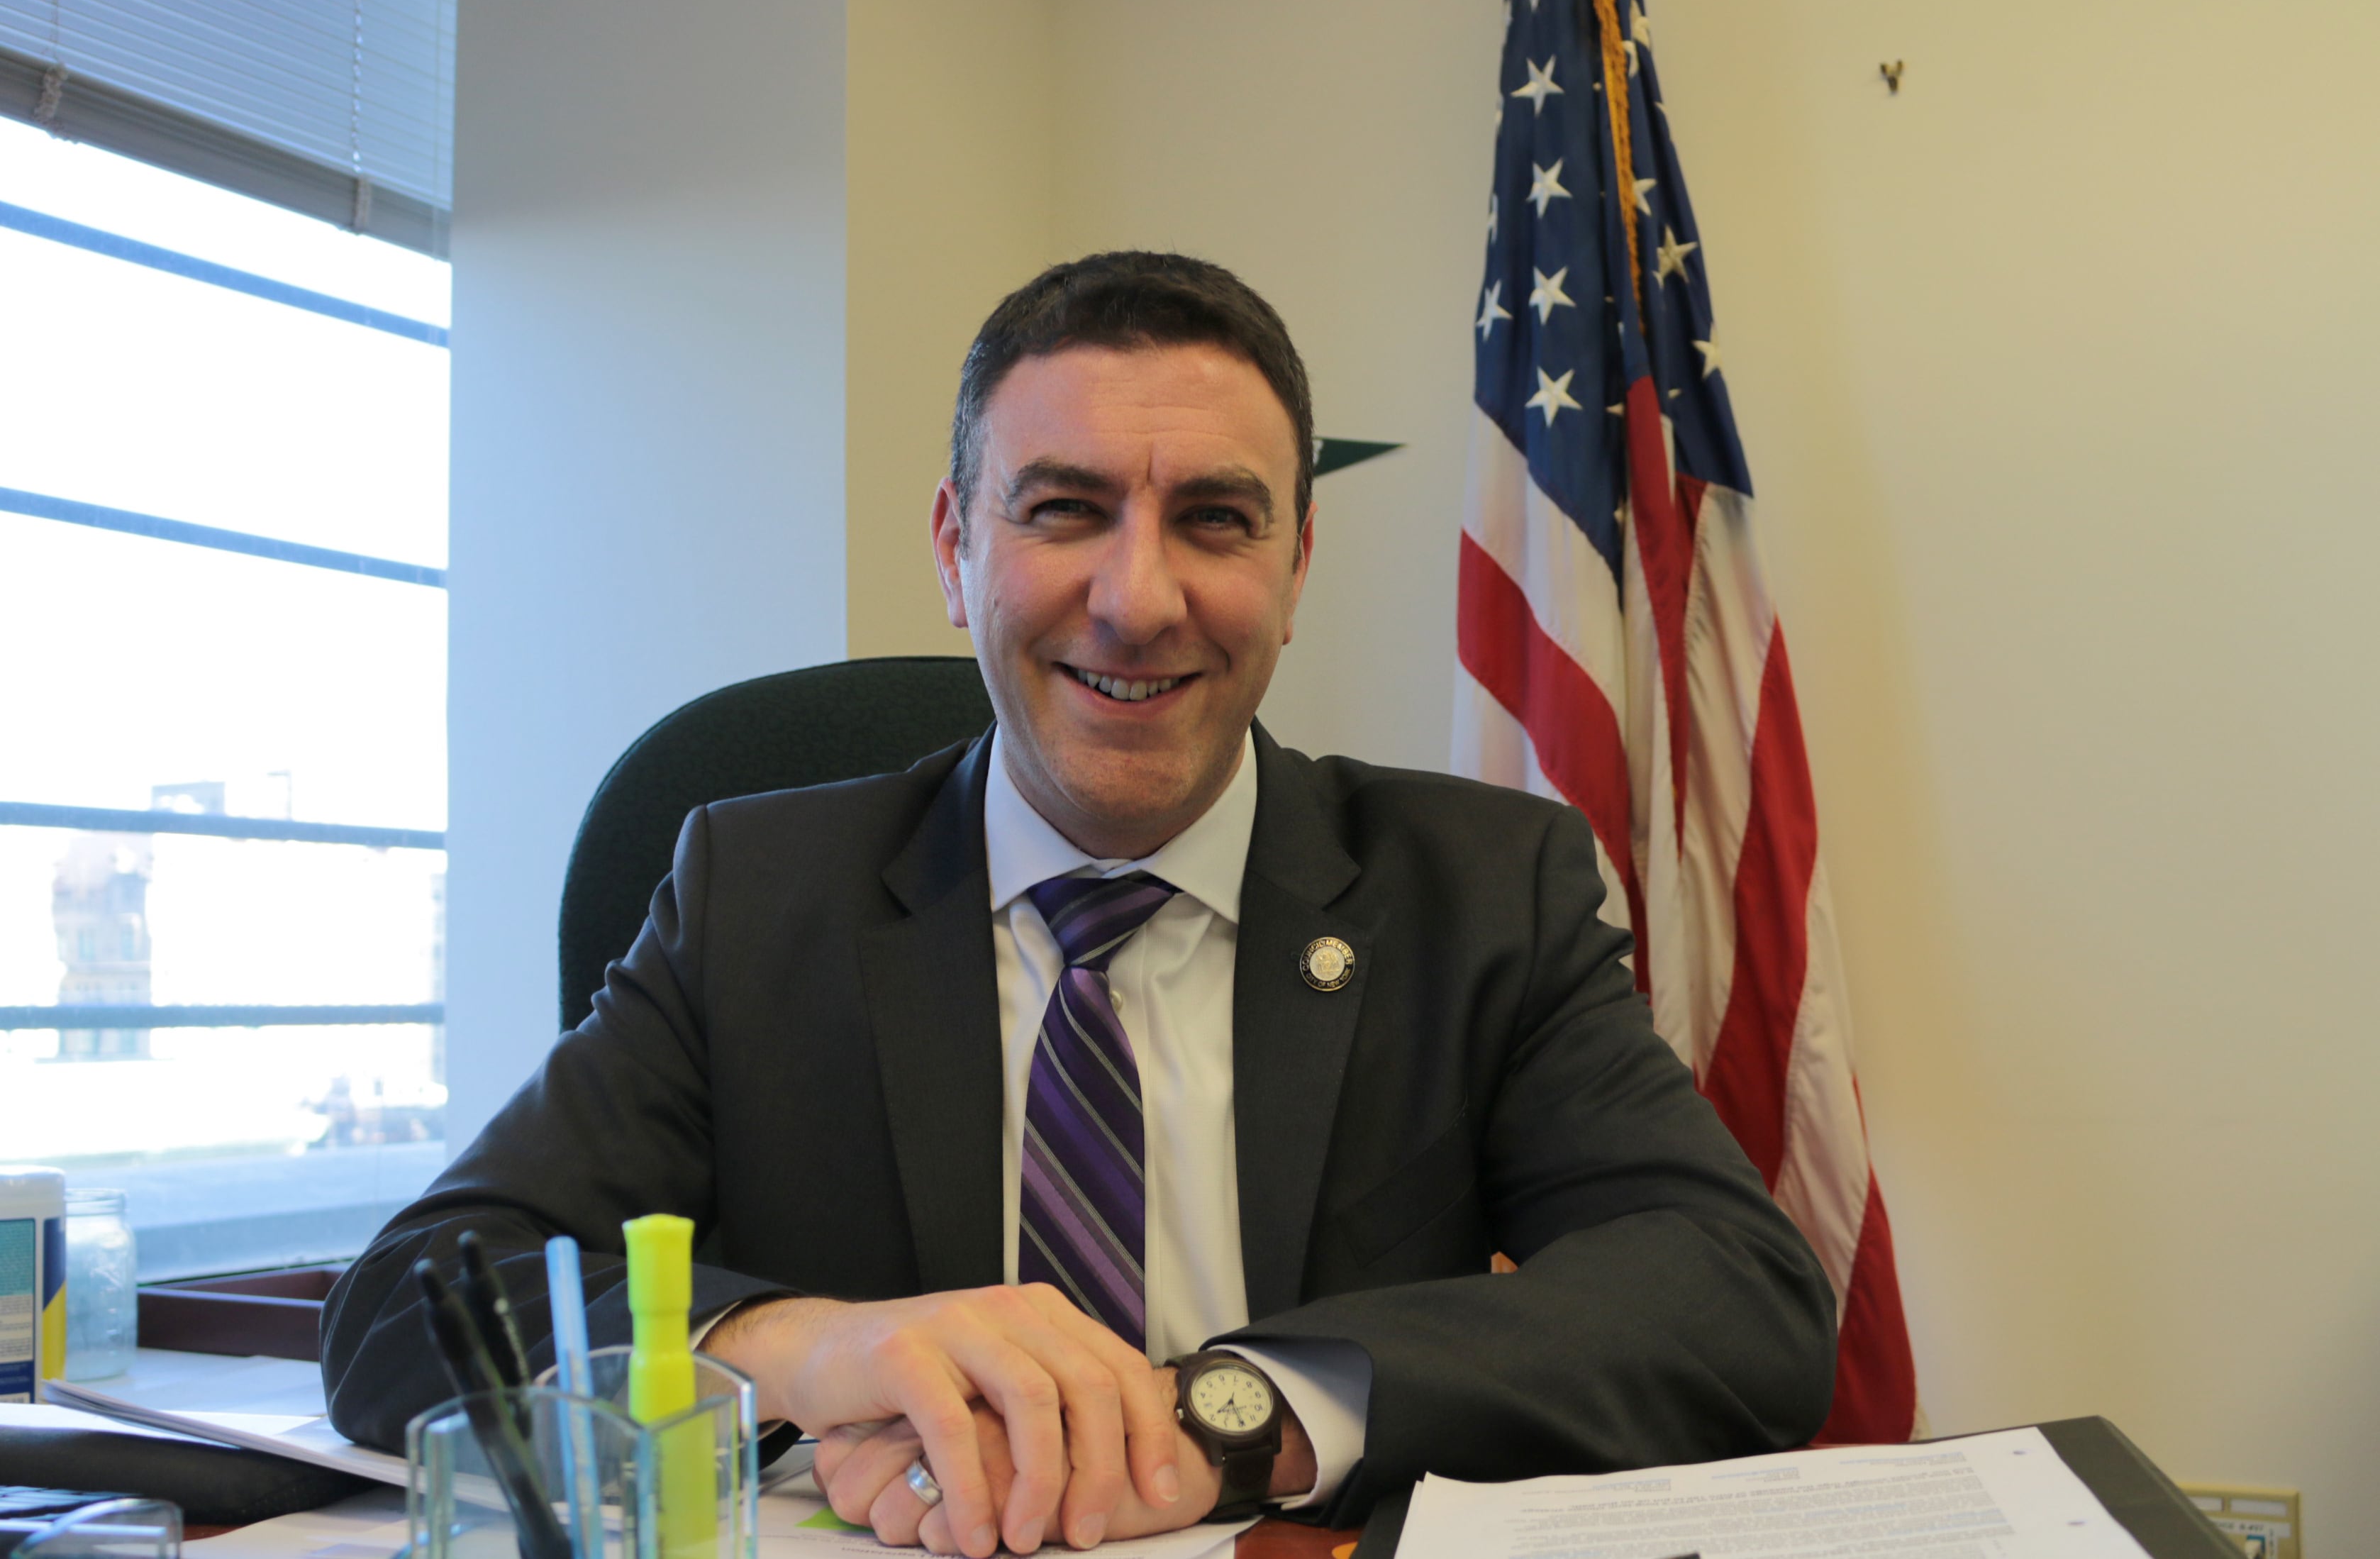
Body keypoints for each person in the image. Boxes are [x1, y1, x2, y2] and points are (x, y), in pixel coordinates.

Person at [322, 252, 1835, 1557]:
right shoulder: (754, 890)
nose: (1137, 597)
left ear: (1296, 566)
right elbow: (405, 1310)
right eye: (1062, 509)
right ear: (953, 547)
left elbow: (1735, 1301)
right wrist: (818, 1350)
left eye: (1217, 522)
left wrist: (1223, 1418)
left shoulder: (1479, 886)